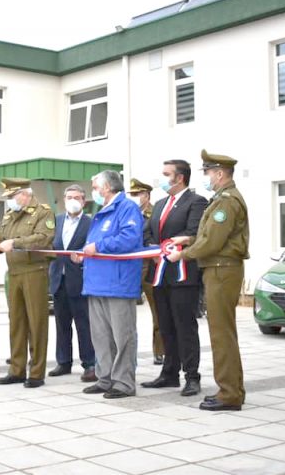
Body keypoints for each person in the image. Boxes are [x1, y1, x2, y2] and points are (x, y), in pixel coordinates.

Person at [166, 149, 249, 411]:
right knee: (224, 333)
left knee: (221, 334)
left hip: (221, 270)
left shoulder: (226, 201)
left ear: (220, 173)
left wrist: (183, 254)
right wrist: (189, 239)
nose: (206, 176)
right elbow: (210, 234)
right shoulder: (222, 198)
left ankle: (229, 394)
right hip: (220, 269)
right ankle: (233, 389)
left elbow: (213, 241)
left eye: (208, 172)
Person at [0, 177, 54, 388]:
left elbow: (43, 238)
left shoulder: (42, 212)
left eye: (12, 196)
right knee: (16, 322)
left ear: (25, 195)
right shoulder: (10, 215)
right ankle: (16, 370)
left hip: (34, 272)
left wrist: (15, 243)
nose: (9, 200)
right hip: (14, 273)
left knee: (36, 323)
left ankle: (36, 372)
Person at [140, 161, 207, 397]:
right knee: (165, 325)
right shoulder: (160, 204)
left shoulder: (196, 202)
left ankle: (192, 376)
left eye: (166, 174)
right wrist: (154, 248)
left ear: (179, 178)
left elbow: (195, 232)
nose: (162, 178)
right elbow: (148, 231)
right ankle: (169, 373)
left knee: (184, 326)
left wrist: (175, 245)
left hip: (183, 274)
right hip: (160, 273)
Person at [81, 170, 143, 399]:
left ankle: (124, 382)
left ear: (107, 187)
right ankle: (105, 378)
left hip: (118, 283)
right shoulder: (102, 211)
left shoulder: (127, 208)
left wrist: (98, 247)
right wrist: (82, 253)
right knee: (101, 336)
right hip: (96, 282)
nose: (94, 192)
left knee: (122, 336)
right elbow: (93, 243)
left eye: (95, 187)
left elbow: (129, 239)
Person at [48, 184, 97, 382]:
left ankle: (90, 363)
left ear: (84, 201)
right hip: (58, 279)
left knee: (84, 324)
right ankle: (63, 361)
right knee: (62, 324)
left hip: (80, 280)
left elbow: (94, 249)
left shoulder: (91, 223)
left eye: (77, 197)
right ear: (64, 200)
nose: (73, 201)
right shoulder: (57, 220)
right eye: (69, 197)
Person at [127, 178, 164, 366]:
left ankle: (160, 351)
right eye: (131, 194)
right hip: (129, 267)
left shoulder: (156, 212)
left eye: (137, 194)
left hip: (149, 266)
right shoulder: (126, 213)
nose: (134, 197)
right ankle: (126, 353)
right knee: (124, 313)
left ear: (146, 195)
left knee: (158, 311)